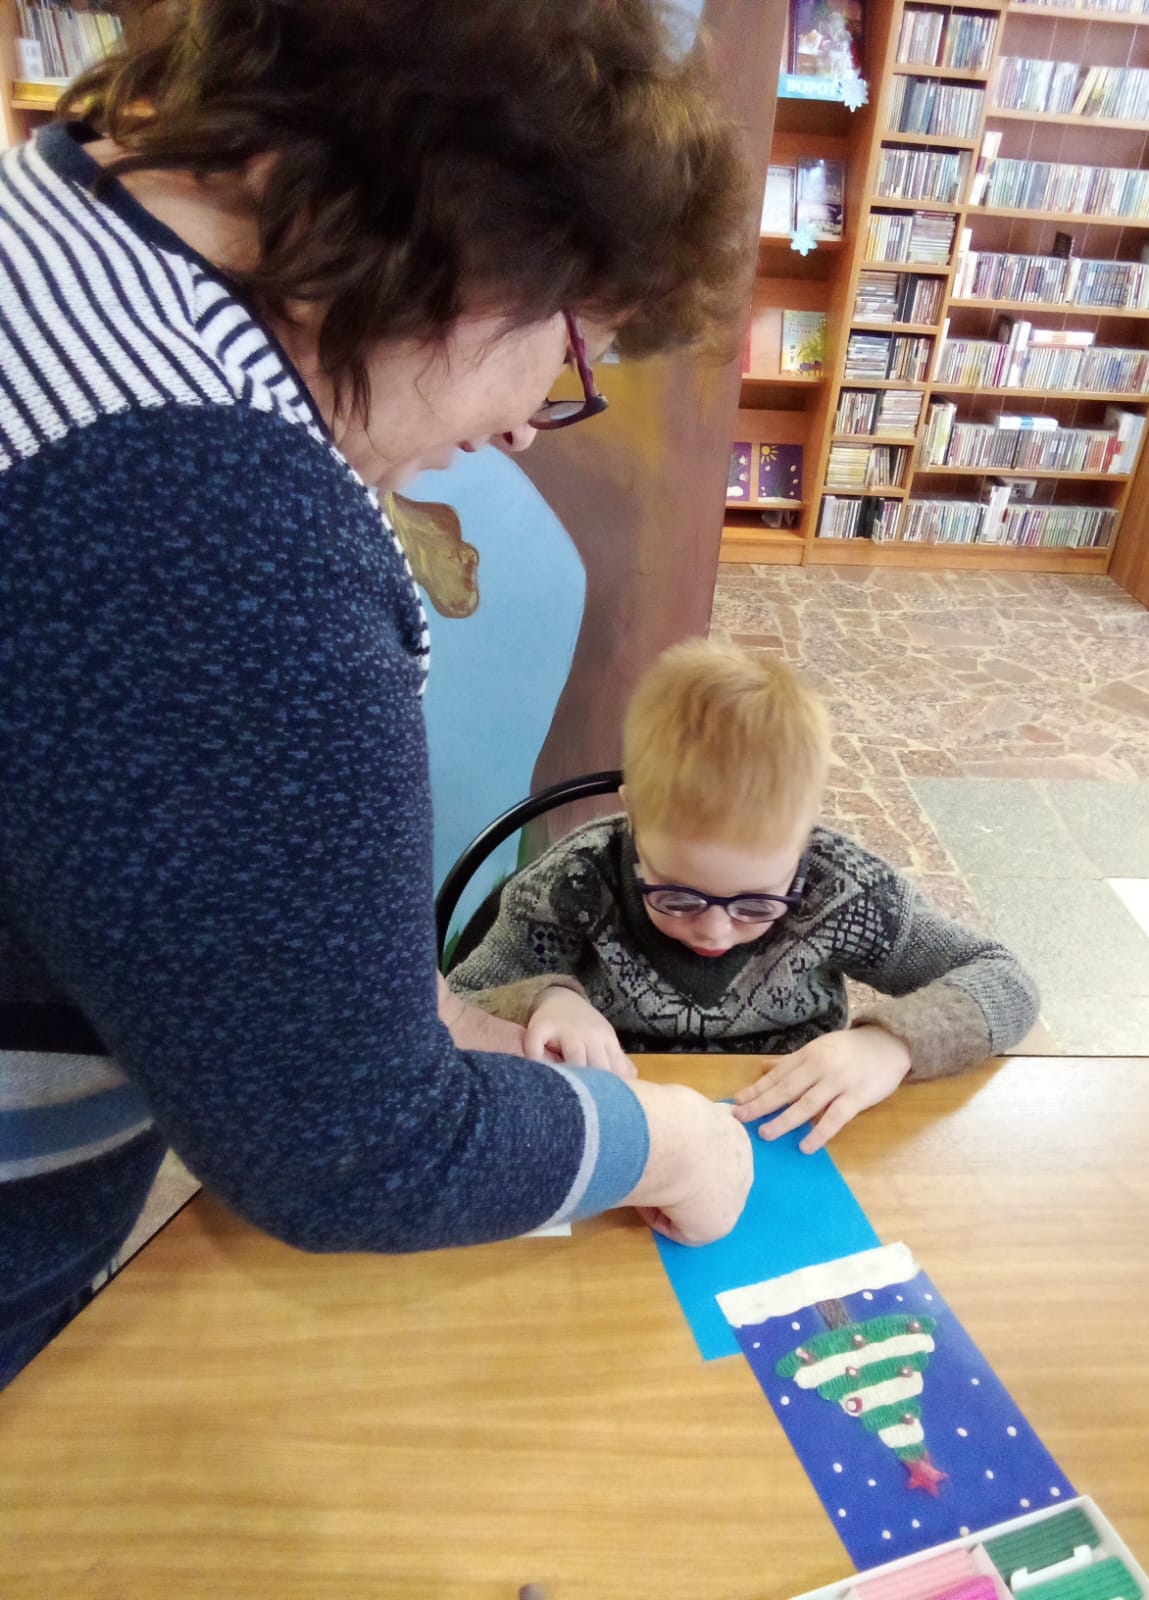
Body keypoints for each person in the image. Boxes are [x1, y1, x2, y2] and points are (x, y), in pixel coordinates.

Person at [0, 0, 756, 1388]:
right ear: (467, 243)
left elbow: (197, 906)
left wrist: (431, 1025)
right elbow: (350, 1146)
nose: (526, 421)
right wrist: (676, 1145)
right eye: (568, 349)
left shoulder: (59, 215)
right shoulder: (206, 522)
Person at [451, 639, 1040, 1150]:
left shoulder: (843, 888)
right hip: (623, 1124)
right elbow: (452, 1004)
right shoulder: (572, 883)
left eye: (757, 904)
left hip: (791, 1126)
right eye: (677, 897)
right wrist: (544, 1001)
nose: (714, 930)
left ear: (802, 841)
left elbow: (1004, 980)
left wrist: (891, 1044)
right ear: (634, 817)